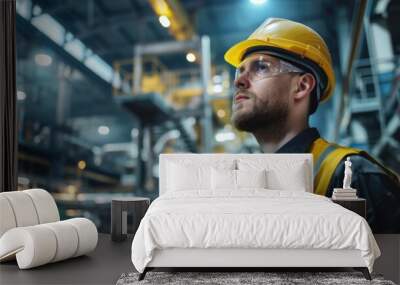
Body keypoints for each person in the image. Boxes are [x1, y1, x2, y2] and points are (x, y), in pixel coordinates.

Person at [224, 18, 400, 233]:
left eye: (260, 67)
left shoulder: (351, 176)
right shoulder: (245, 186)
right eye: (239, 70)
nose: (239, 81)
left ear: (302, 86)